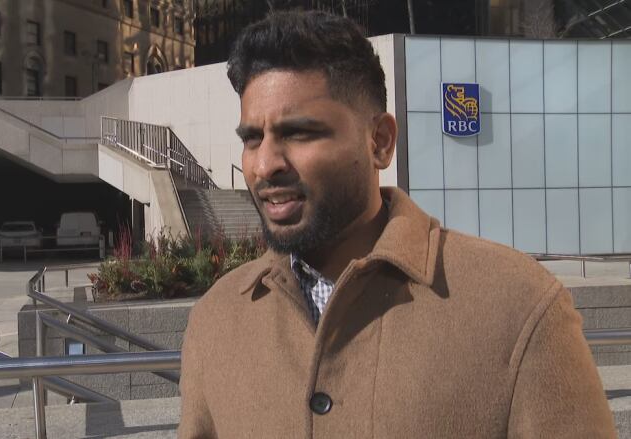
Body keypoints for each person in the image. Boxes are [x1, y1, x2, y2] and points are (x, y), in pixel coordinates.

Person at [178, 10, 616, 438]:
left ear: (380, 142)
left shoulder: (521, 307)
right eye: (252, 138)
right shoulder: (216, 320)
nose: (265, 164)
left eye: (300, 133)